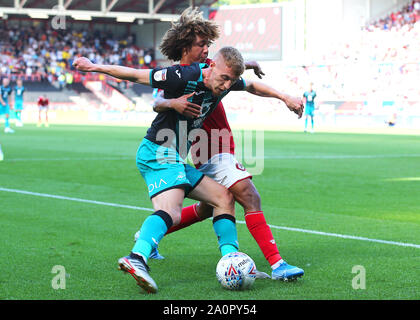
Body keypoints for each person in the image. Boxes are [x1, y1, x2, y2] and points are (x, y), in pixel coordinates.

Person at [73, 45, 303, 293]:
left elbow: (248, 85)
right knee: (171, 212)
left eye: (230, 80)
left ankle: (231, 261)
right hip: (158, 152)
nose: (226, 85)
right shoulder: (183, 75)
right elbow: (137, 76)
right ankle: (137, 257)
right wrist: (94, 67)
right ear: (210, 65)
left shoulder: (221, 80)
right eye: (224, 78)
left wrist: (282, 95)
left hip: (175, 158)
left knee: (222, 198)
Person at [146, 7, 305, 281]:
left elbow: (243, 81)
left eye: (208, 44)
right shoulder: (183, 76)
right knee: (249, 194)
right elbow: (157, 101)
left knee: (212, 206)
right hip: (211, 149)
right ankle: (277, 264)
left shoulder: (211, 71)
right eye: (201, 44)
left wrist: (256, 73)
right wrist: (170, 103)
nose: (207, 49)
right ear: (186, 45)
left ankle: (150, 236)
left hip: (212, 148)